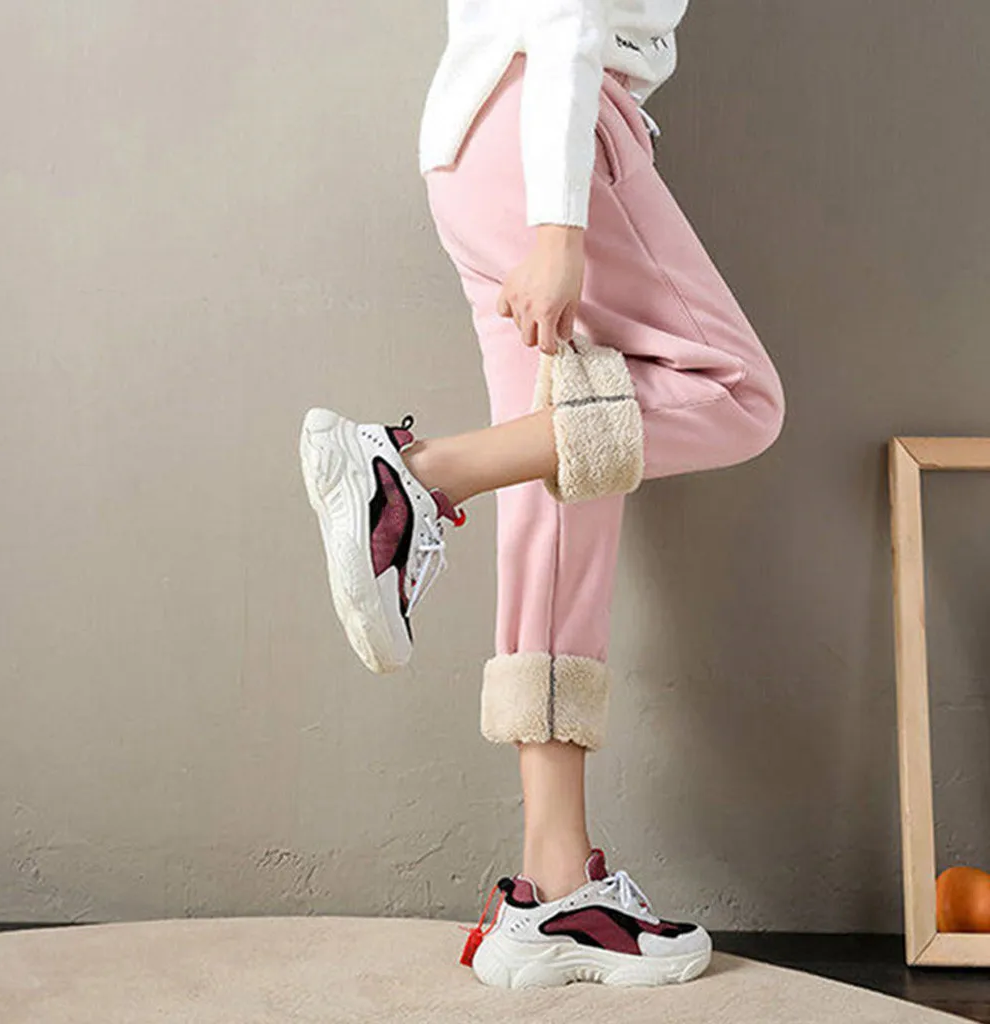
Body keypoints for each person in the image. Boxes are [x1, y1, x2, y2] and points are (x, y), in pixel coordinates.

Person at [299, 0, 785, 989]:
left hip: (484, 142)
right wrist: (561, 226)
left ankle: (553, 890)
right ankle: (416, 476)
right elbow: (566, 7)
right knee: (739, 396)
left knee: (560, 502)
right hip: (549, 119)